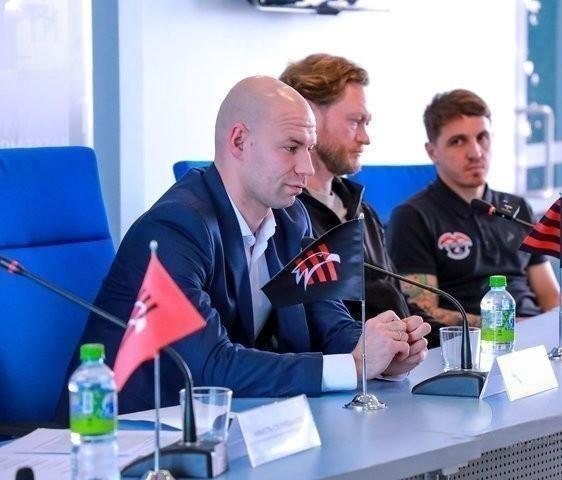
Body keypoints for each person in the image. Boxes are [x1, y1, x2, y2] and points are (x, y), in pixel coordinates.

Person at [64, 76, 430, 416]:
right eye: (291, 148)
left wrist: (384, 349)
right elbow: (209, 366)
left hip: (234, 421)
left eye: (309, 148)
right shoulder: (175, 227)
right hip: (130, 430)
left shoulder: (292, 217)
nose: (306, 167)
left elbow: (328, 322)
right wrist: (354, 365)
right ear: (239, 141)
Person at [279, 53, 442, 348]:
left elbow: (399, 302)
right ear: (309, 115)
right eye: (356, 122)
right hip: (349, 365)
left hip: (396, 361)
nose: (366, 138)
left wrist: (459, 338)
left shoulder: (362, 209)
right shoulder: (284, 215)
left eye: (366, 123)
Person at [387, 89, 562, 327]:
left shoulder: (517, 207)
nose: (475, 152)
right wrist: (508, 326)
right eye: (458, 141)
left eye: (482, 137)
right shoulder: (412, 217)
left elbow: (551, 297)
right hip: (473, 342)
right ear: (432, 152)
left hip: (535, 333)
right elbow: (423, 312)